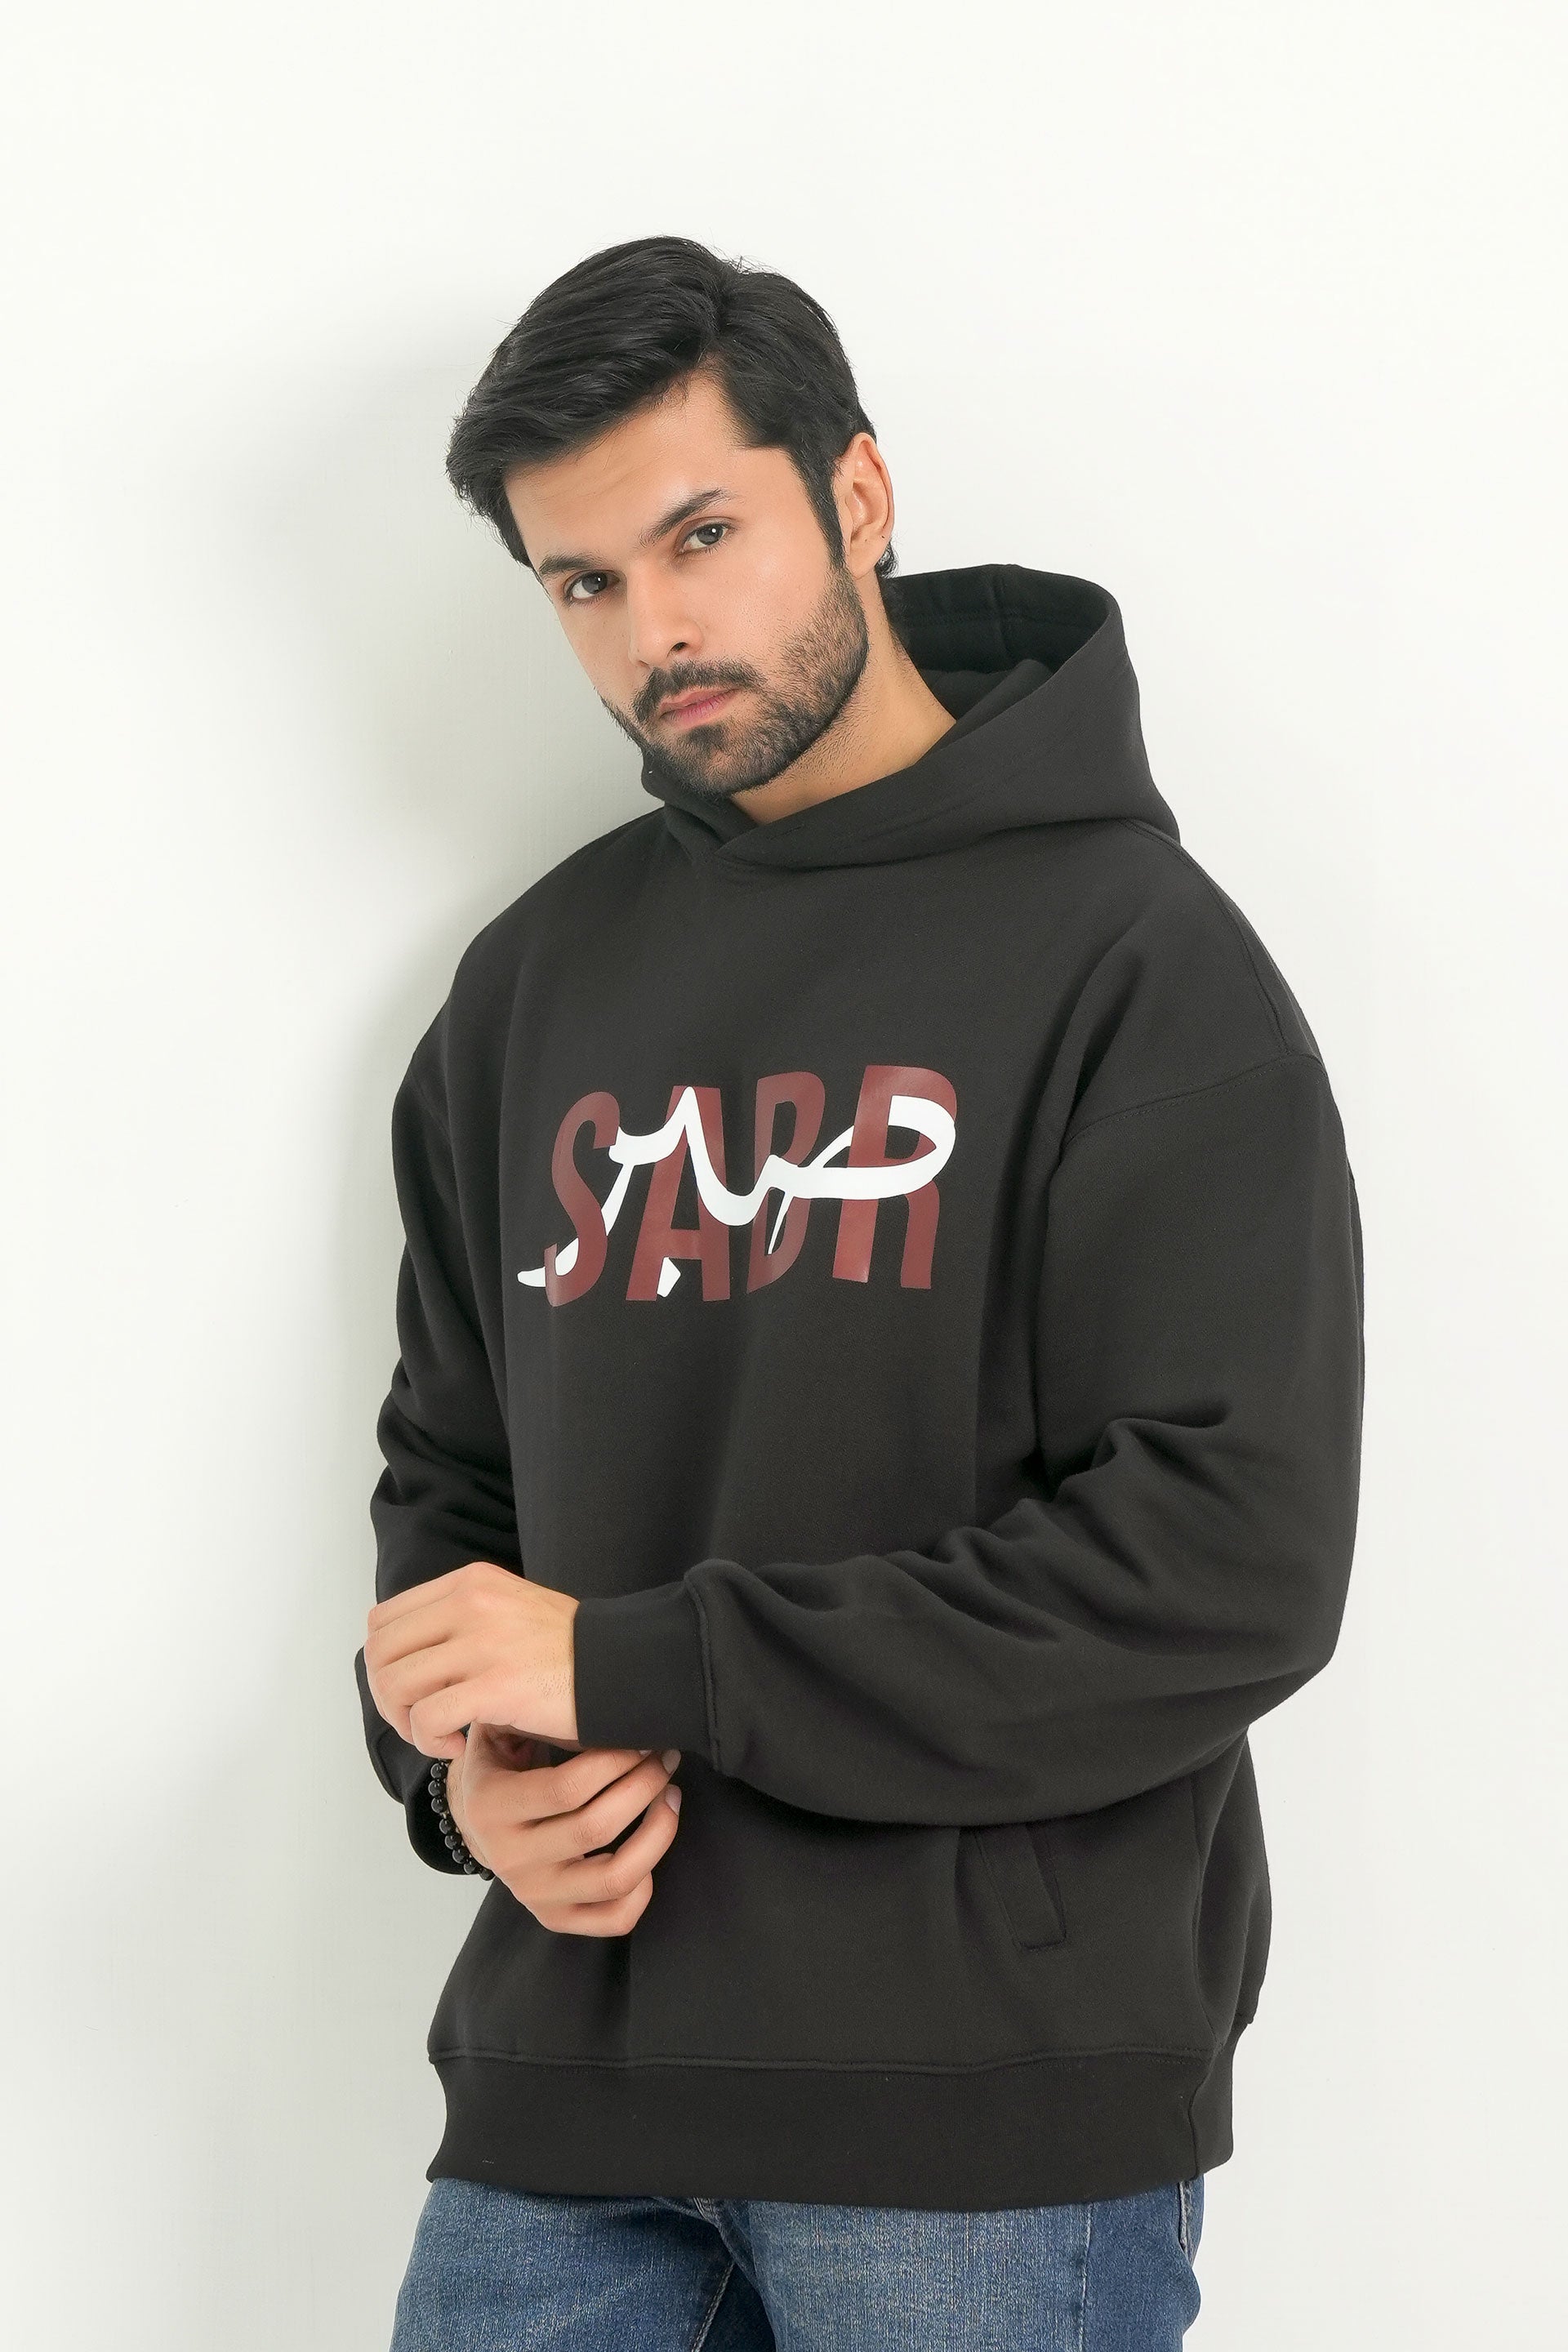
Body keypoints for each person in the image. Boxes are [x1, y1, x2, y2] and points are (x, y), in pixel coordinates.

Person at [356, 233, 1365, 2350]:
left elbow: (1226, 1568)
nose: (654, 629)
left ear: (859, 496)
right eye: (581, 581)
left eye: (699, 536)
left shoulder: (1134, 961)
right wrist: (464, 1779)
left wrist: (640, 1663)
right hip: (568, 2084)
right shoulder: (530, 990)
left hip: (981, 2112)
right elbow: (455, 1482)